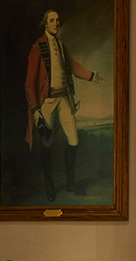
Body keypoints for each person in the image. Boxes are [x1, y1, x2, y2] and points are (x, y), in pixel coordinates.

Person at [24, 10, 100, 200]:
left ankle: (71, 183)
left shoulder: (61, 45)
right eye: (52, 21)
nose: (56, 24)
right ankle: (49, 185)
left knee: (73, 140)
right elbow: (29, 82)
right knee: (47, 142)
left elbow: (73, 67)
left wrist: (92, 76)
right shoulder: (37, 47)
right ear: (45, 24)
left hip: (64, 99)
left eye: (58, 21)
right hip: (46, 102)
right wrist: (35, 110)